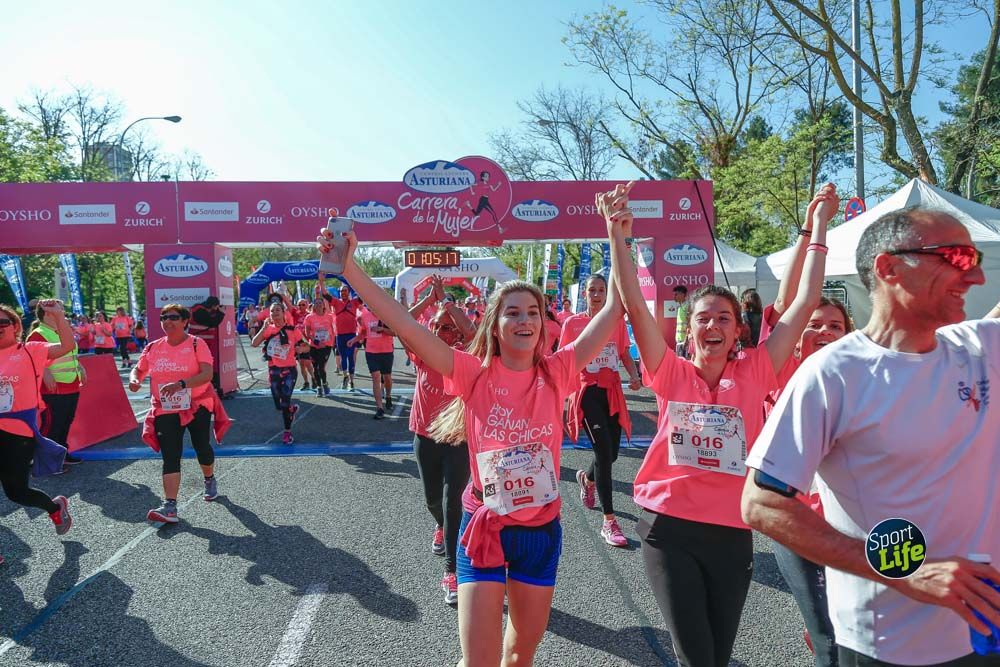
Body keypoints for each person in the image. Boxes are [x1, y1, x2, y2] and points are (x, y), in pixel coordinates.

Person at [317, 196, 625, 666]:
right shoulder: (472, 372)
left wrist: (617, 235)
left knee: (520, 655)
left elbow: (615, 311)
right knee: (476, 661)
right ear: (496, 325)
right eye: (513, 313)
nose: (524, 320)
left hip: (540, 531)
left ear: (544, 326)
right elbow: (402, 322)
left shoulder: (558, 371)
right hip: (483, 525)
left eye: (532, 313)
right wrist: (350, 269)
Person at [743, 206, 1000, 667]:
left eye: (977, 259)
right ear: (889, 267)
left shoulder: (982, 348)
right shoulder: (834, 374)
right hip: (889, 645)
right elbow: (761, 504)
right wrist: (907, 575)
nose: (976, 277)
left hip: (985, 630)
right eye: (958, 258)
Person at [613, 181, 835, 667]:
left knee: (718, 655)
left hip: (733, 530)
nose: (712, 327)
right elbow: (632, 304)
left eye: (723, 319)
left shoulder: (757, 368)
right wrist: (619, 238)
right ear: (688, 328)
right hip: (668, 528)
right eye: (703, 319)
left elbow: (805, 301)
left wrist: (819, 225)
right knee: (696, 656)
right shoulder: (669, 370)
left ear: (738, 330)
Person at [405, 276, 477, 605]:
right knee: (432, 500)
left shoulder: (464, 354)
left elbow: (476, 333)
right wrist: (428, 301)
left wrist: (446, 303)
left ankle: (452, 570)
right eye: (439, 328)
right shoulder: (423, 352)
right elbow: (404, 322)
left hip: (458, 436)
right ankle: (442, 527)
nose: (444, 334)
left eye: (450, 329)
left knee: (453, 502)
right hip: (425, 434)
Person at [560, 273, 642, 548]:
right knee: (604, 454)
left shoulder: (615, 322)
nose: (596, 295)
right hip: (587, 394)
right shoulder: (573, 323)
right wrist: (560, 396)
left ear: (607, 294)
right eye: (591, 290)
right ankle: (609, 520)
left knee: (613, 453)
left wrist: (634, 374)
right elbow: (563, 360)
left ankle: (586, 478)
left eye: (601, 290)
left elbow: (622, 352)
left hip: (611, 392)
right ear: (584, 294)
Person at [129, 304, 222, 524]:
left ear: (184, 321)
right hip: (165, 408)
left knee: (202, 446)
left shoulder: (197, 344)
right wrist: (135, 379)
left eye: (172, 317)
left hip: (196, 405)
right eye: (163, 317)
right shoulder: (153, 347)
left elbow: (207, 374)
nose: (167, 321)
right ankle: (170, 506)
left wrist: (181, 384)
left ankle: (209, 478)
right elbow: (139, 368)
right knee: (170, 454)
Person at [0, 301, 76, 559]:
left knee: (16, 492)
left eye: (3, 323)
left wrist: (58, 315)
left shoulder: (30, 350)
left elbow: (67, 347)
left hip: (17, 432)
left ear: (15, 326)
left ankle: (54, 508)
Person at [27, 300, 87, 468]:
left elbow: (71, 353)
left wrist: (80, 367)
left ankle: (61, 454)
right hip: (54, 389)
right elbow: (32, 356)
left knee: (66, 421)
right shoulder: (38, 333)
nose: (63, 312)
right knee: (53, 424)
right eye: (59, 309)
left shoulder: (61, 330)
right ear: (47, 313)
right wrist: (45, 371)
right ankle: (46, 460)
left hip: (71, 385)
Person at [251, 301, 302, 445]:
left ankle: (287, 432)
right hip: (273, 370)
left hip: (289, 370)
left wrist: (301, 349)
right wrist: (263, 329)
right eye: (272, 311)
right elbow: (254, 343)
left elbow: (306, 345)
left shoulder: (293, 329)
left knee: (284, 402)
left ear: (284, 312)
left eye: (278, 310)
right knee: (278, 405)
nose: (274, 313)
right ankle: (291, 410)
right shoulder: (268, 329)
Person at [319, 277, 363, 390]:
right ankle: (345, 376)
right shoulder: (336, 302)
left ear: (348, 293)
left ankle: (351, 381)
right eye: (341, 291)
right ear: (339, 293)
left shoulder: (354, 302)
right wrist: (321, 281)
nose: (343, 293)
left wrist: (357, 280)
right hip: (340, 336)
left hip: (351, 335)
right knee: (343, 357)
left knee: (351, 358)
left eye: (345, 291)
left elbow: (364, 295)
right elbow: (324, 294)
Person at [354, 302, 396, 419]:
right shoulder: (365, 316)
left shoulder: (386, 316)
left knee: (387, 377)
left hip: (386, 351)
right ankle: (379, 408)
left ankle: (388, 395)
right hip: (371, 352)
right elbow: (363, 332)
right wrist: (354, 339)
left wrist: (382, 329)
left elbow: (395, 333)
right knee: (376, 377)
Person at [303, 297, 335, 396]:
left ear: (323, 305)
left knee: (321, 367)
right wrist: (316, 342)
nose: (318, 305)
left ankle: (324, 383)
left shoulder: (329, 316)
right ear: (314, 306)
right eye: (316, 303)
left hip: (326, 346)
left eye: (320, 303)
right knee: (315, 367)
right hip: (314, 345)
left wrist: (332, 343)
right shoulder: (309, 317)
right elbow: (307, 332)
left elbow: (333, 331)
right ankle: (319, 387)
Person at [673, 286, 690, 359]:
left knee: (685, 364)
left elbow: (690, 324)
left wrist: (686, 339)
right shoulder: (680, 307)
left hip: (685, 342)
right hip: (679, 341)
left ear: (682, 295)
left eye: (676, 294)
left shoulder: (687, 306)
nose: (674, 297)